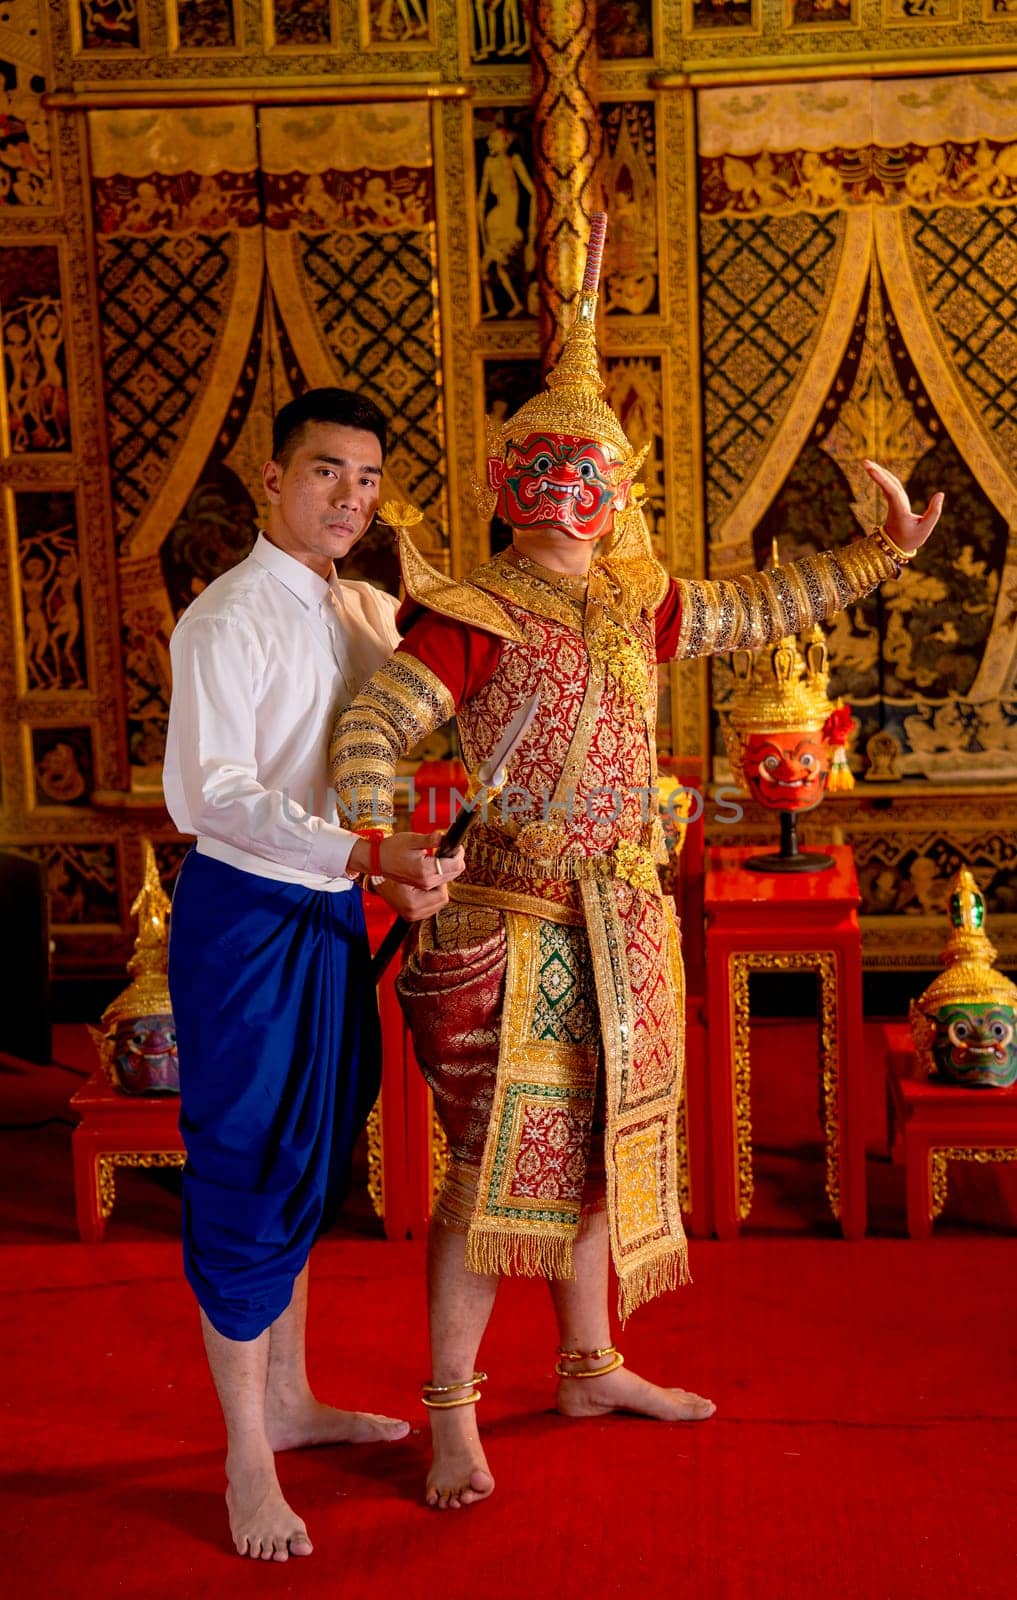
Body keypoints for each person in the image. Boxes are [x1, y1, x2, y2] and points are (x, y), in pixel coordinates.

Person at [330, 249, 945, 1511]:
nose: (565, 497)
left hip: (626, 916)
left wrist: (880, 557)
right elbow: (371, 728)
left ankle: (590, 1362)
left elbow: (756, 608)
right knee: (489, 1174)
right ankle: (453, 1412)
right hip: (511, 920)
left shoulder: (639, 600)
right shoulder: (472, 611)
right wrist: (389, 846)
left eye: (589, 478)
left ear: (617, 494)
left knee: (611, 1151)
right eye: (543, 474)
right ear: (507, 486)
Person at [163, 388, 465, 1561]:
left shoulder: (364, 610)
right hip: (246, 920)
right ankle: (246, 1453)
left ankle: (291, 1399)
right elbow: (214, 797)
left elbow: (428, 704)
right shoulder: (224, 620)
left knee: (310, 1159)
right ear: (273, 475)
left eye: (370, 481)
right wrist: (363, 853)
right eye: (328, 471)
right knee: (244, 1167)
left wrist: (392, 868)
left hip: (340, 911)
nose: (351, 498)